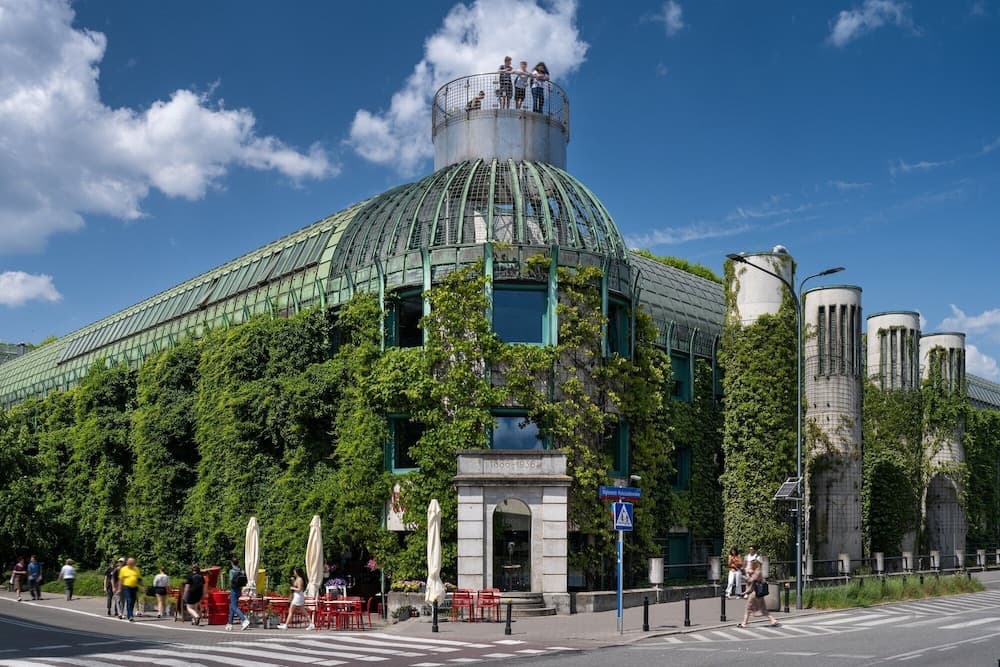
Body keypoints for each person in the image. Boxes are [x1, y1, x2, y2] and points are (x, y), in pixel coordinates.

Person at [739, 559, 779, 628]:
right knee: (763, 609)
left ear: (754, 565)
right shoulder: (758, 572)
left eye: (751, 565)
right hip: (759, 593)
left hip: (755, 593)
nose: (750, 566)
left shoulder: (757, 572)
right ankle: (773, 620)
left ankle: (744, 623)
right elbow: (752, 584)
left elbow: (750, 581)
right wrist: (745, 592)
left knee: (748, 608)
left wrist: (744, 576)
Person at [226, 556, 251, 631]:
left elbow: (231, 581)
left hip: (233, 590)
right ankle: (230, 623)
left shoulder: (231, 571)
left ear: (232, 563)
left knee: (234, 607)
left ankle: (244, 620)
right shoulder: (241, 571)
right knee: (232, 606)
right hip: (239, 590)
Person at [118, 557, 141, 621]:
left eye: (133, 563)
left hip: (134, 587)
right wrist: (119, 588)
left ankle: (129, 615)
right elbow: (120, 580)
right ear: (127, 563)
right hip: (126, 587)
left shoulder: (136, 569)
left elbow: (139, 579)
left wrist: (142, 586)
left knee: (133, 601)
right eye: (130, 563)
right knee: (129, 600)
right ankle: (130, 616)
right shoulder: (123, 569)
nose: (131, 564)